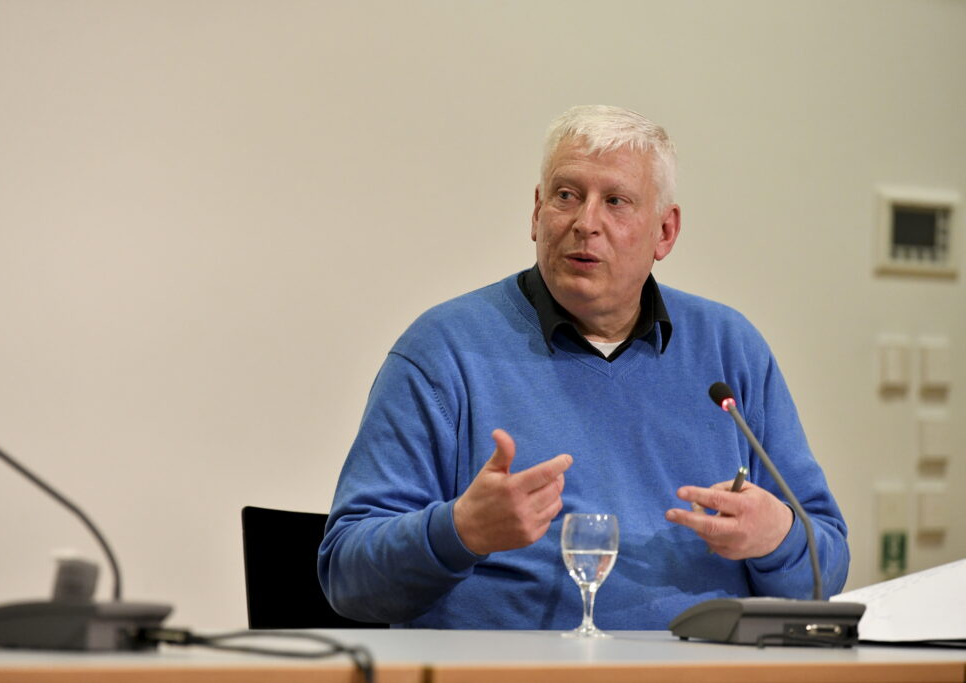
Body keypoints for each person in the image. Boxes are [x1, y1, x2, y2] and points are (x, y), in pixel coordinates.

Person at [317, 105, 849, 629]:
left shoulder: (731, 349)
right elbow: (347, 576)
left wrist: (777, 538)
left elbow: (827, 570)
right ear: (536, 211)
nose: (585, 223)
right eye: (567, 196)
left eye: (616, 201)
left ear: (665, 232)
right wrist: (460, 531)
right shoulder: (444, 350)